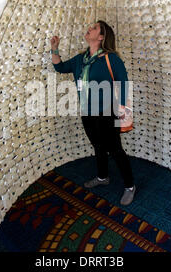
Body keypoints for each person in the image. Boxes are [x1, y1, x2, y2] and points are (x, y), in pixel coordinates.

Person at [50, 20, 136, 206]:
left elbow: (123, 82)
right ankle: (103, 176)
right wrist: (54, 49)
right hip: (87, 112)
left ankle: (130, 186)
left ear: (102, 37)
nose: (89, 29)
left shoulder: (110, 58)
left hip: (107, 112)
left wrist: (123, 112)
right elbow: (60, 67)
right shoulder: (80, 59)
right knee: (97, 145)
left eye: (94, 28)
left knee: (115, 149)